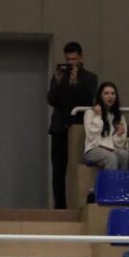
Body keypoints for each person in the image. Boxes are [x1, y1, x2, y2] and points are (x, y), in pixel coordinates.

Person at [47, 40, 97, 208]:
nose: (71, 63)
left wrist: (75, 83)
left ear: (81, 58)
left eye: (74, 59)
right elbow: (51, 100)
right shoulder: (60, 76)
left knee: (78, 168)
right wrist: (58, 82)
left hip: (79, 127)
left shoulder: (90, 78)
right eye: (68, 59)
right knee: (58, 170)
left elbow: (87, 100)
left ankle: (78, 204)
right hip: (59, 127)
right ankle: (59, 207)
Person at [82, 82, 129, 171]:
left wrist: (118, 135)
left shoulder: (120, 117)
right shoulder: (90, 113)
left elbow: (120, 146)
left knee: (125, 155)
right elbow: (91, 136)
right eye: (106, 93)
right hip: (93, 149)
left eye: (113, 94)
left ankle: (122, 180)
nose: (110, 96)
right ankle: (111, 181)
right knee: (111, 157)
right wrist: (98, 117)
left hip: (111, 149)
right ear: (100, 96)